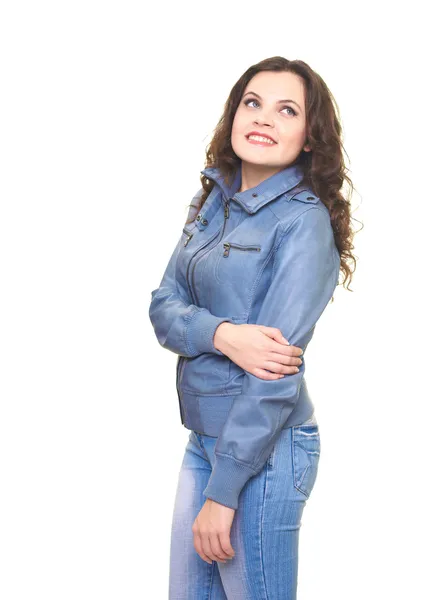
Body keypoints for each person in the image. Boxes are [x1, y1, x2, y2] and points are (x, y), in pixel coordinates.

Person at [149, 56, 357, 599]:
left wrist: (223, 492)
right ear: (234, 114)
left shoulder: (303, 222)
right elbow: (162, 306)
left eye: (287, 110)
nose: (264, 118)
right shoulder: (211, 199)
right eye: (253, 103)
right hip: (203, 440)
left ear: (310, 137)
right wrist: (222, 334)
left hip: (263, 451)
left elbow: (274, 373)